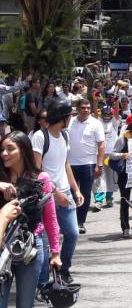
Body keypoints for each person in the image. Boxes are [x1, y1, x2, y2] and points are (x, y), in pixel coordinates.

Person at [0, 131, 61, 308]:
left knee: (25, 304)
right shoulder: (1, 177)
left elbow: (50, 217)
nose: (4, 153)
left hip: (30, 247)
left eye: (10, 149)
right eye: (2, 149)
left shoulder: (41, 178)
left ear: (24, 150)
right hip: (3, 248)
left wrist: (55, 253)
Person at [32, 98, 83, 285]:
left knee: (73, 233)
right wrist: (55, 194)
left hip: (65, 193)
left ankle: (64, 269)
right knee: (46, 242)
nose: (70, 119)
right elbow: (36, 171)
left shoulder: (65, 136)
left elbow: (65, 164)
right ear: (63, 117)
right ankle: (43, 283)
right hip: (46, 197)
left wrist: (75, 189)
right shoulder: (39, 136)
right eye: (69, 115)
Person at [67, 98, 106, 234]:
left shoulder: (96, 123)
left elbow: (101, 145)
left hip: (88, 164)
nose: (86, 110)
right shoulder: (70, 121)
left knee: (85, 193)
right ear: (77, 109)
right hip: (70, 164)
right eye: (83, 108)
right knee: (71, 193)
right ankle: (70, 221)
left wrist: (99, 165)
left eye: (88, 108)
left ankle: (80, 222)